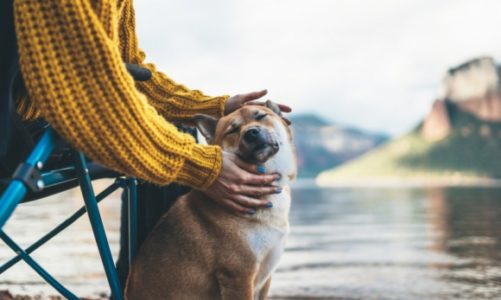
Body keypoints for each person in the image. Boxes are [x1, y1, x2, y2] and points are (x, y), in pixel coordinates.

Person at [12, 0, 291, 287]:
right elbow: (86, 82)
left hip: (26, 133)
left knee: (175, 127)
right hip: (15, 143)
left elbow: (129, 72)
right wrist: (196, 164)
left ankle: (140, 287)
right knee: (173, 137)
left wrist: (216, 107)